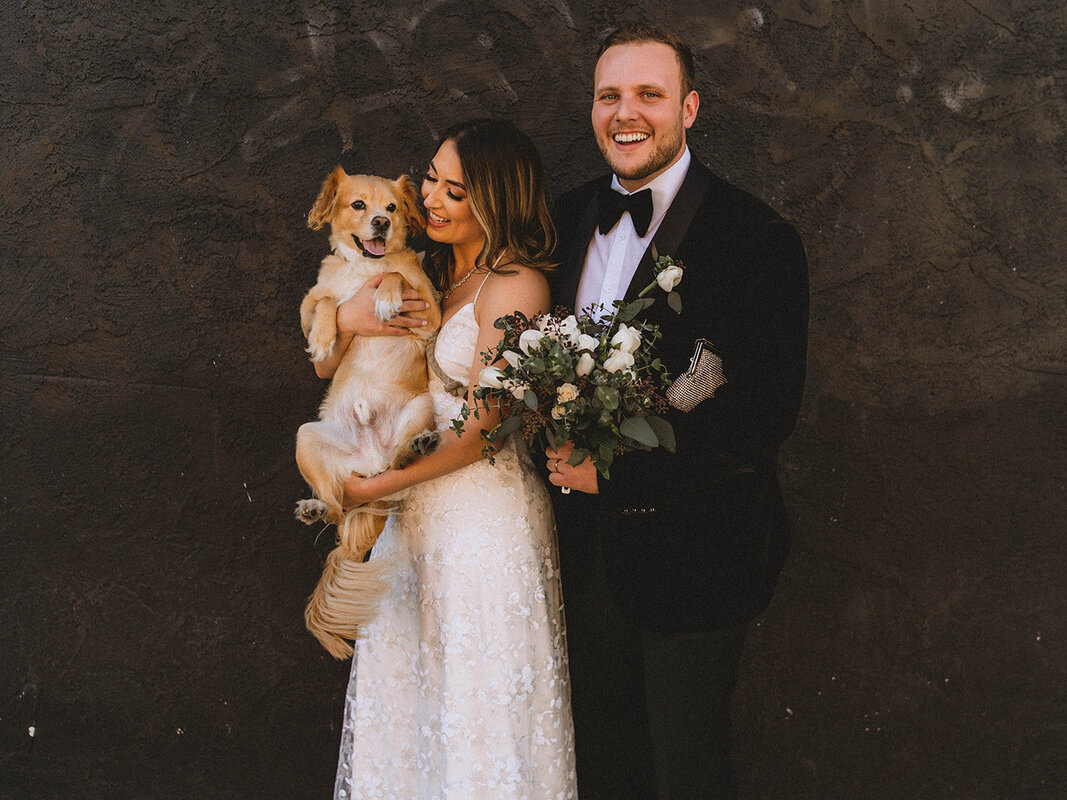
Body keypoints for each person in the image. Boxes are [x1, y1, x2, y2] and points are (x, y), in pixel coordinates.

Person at [544, 24, 809, 799]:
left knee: (686, 772)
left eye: (649, 95)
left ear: (689, 107)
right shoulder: (561, 221)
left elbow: (763, 416)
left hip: (700, 555)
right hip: (579, 560)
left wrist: (615, 474)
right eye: (609, 96)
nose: (627, 113)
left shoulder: (756, 238)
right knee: (601, 765)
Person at [315, 119, 576, 799]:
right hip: (410, 524)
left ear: (492, 202)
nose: (429, 197)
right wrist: (345, 321)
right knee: (407, 712)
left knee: (476, 716)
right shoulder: (423, 270)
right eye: (430, 176)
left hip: (482, 527)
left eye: (453, 190)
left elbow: (489, 427)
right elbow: (332, 364)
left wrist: (381, 484)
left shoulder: (515, 286)